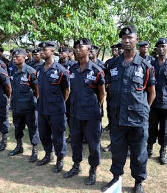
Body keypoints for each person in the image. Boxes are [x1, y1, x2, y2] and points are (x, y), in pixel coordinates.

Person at [101, 26, 156, 193]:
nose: (126, 40)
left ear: (136, 40)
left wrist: (143, 109)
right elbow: (109, 88)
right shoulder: (112, 64)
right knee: (118, 149)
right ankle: (116, 177)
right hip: (118, 116)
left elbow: (151, 92)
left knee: (139, 152)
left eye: (130, 37)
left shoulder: (146, 66)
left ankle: (138, 181)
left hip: (138, 117)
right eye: (123, 38)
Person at [63, 38, 105, 185]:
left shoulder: (96, 70)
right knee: (75, 142)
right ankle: (76, 166)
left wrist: (95, 107)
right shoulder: (72, 69)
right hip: (75, 113)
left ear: (88, 50)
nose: (76, 50)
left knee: (93, 145)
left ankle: (93, 171)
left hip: (91, 115)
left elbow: (102, 94)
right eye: (75, 47)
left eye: (80, 47)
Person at [36, 41, 70, 173]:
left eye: (44, 50)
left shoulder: (60, 70)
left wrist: (59, 102)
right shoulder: (40, 69)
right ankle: (48, 154)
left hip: (56, 110)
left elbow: (66, 90)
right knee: (44, 134)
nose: (42, 52)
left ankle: (60, 159)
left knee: (58, 136)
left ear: (52, 51)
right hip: (42, 108)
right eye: (41, 50)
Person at [148, 38, 167, 165]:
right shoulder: (151, 64)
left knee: (165, 128)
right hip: (154, 103)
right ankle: (149, 148)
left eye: (163, 46)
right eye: (159, 46)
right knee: (152, 126)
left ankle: (163, 151)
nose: (161, 49)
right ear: (156, 48)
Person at [8, 48, 40, 162]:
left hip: (29, 107)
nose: (14, 59)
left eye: (17, 57)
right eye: (13, 57)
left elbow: (37, 91)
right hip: (17, 106)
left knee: (32, 129)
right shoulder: (14, 72)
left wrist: (35, 105)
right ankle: (19, 146)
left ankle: (35, 150)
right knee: (18, 128)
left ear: (25, 57)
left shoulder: (31, 72)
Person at [102, 44, 120, 152]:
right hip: (113, 97)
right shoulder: (111, 63)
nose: (115, 51)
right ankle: (112, 144)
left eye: (117, 49)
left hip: (127, 101)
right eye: (113, 49)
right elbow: (107, 79)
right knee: (113, 121)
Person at [58, 46, 75, 143]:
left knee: (71, 115)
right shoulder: (56, 65)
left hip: (71, 94)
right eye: (59, 52)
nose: (61, 53)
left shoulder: (73, 65)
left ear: (69, 54)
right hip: (60, 94)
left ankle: (72, 134)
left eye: (63, 52)